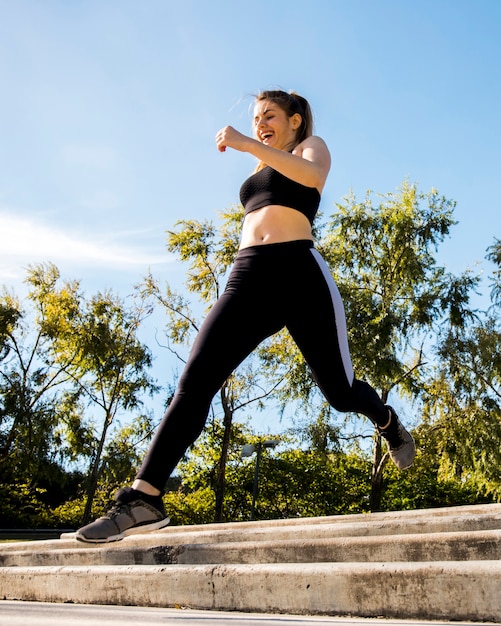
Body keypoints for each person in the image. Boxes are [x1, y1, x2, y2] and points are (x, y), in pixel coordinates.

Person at [75, 90, 415, 543]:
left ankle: (387, 420)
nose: (260, 124)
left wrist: (248, 143)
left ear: (295, 120)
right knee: (195, 382)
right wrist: (254, 150)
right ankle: (144, 498)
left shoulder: (309, 148)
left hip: (299, 273)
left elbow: (312, 177)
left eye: (269, 116)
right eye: (256, 119)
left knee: (340, 392)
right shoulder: (260, 164)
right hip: (247, 275)